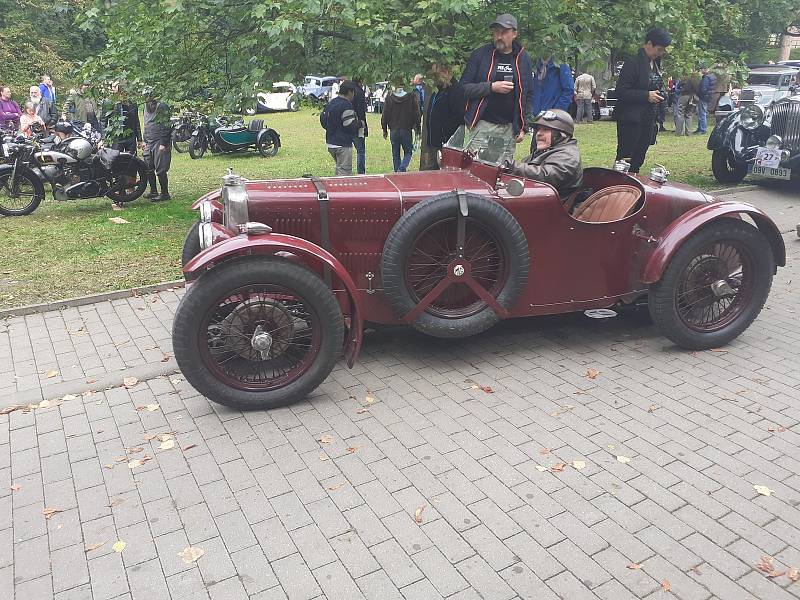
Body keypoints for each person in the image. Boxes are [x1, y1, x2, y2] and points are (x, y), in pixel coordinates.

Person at [460, 13, 534, 147]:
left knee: (503, 168)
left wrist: (524, 127)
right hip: (482, 126)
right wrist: (491, 87)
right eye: (496, 32)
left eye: (504, 32)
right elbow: (463, 88)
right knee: (477, 167)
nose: (499, 37)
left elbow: (528, 94)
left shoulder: (523, 58)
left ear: (514, 34)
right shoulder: (480, 55)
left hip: (509, 129)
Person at [613, 28, 671, 173]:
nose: (660, 53)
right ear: (649, 44)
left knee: (638, 159)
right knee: (625, 159)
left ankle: (634, 184)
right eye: (659, 49)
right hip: (631, 120)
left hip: (648, 119)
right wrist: (646, 95)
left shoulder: (655, 64)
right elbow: (621, 92)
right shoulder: (633, 63)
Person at [504, 109, 583, 199]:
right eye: (538, 130)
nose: (538, 134)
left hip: (551, 208)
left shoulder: (568, 155)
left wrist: (509, 165)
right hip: (535, 200)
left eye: (545, 130)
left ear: (561, 135)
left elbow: (546, 175)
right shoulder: (544, 152)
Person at [420, 63, 465, 170]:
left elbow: (458, 118)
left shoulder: (456, 90)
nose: (434, 79)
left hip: (445, 143)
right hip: (432, 141)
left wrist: (444, 136)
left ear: (445, 72)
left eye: (436, 75)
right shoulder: (438, 89)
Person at [381, 77, 421, 172]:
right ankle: (402, 168)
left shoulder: (389, 96)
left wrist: (384, 129)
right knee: (408, 151)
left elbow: (384, 114)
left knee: (395, 153)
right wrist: (417, 127)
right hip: (406, 129)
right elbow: (417, 113)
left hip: (393, 129)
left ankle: (397, 172)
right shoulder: (411, 95)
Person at [321, 80, 360, 175]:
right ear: (350, 92)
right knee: (344, 174)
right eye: (353, 92)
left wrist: (330, 129)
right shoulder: (346, 105)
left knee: (339, 170)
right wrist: (358, 126)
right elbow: (349, 125)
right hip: (343, 144)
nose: (354, 95)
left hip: (331, 142)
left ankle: (335, 188)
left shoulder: (331, 102)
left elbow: (323, 119)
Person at [142, 88, 173, 201]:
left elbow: (167, 125)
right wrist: (144, 140)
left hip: (160, 141)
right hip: (149, 141)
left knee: (160, 169)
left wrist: (164, 143)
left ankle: (165, 194)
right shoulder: (145, 107)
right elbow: (146, 123)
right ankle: (153, 191)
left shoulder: (162, 106)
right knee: (148, 167)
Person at [107, 81, 142, 154]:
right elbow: (103, 121)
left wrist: (139, 139)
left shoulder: (133, 103)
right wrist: (104, 138)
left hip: (131, 138)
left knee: (131, 162)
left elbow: (136, 121)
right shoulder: (111, 103)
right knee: (115, 161)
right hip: (117, 138)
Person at [351, 76, 369, 174]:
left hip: (346, 123)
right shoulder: (360, 92)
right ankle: (361, 172)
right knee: (361, 150)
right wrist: (363, 125)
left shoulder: (347, 90)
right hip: (358, 123)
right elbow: (361, 110)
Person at [674, 70, 700, 136]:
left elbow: (679, 89)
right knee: (689, 114)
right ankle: (689, 132)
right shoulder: (696, 80)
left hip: (684, 96)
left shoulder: (684, 80)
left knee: (680, 114)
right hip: (693, 97)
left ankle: (679, 133)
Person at [696, 65, 715, 134]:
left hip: (704, 97)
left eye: (701, 69)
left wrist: (699, 94)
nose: (700, 71)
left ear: (705, 69)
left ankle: (702, 129)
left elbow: (703, 89)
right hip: (708, 96)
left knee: (702, 113)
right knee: (702, 112)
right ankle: (700, 128)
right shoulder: (712, 76)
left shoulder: (706, 78)